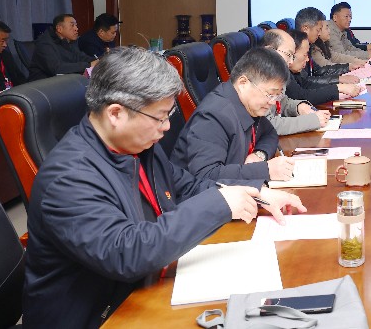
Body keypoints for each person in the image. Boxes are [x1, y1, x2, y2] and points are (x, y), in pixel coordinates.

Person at [22, 47, 306, 328]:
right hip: (102, 315)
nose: (168, 127)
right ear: (116, 113)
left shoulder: (139, 146)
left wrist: (254, 192)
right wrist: (220, 204)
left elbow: (187, 184)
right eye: (160, 117)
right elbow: (126, 252)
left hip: (147, 285)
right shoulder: (68, 177)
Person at [171, 47, 297, 181]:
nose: (272, 102)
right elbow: (207, 176)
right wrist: (265, 170)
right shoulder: (212, 116)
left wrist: (259, 155)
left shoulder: (249, 105)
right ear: (243, 83)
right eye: (270, 94)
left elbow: (269, 133)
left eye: (277, 96)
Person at [258, 28, 331, 135]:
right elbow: (267, 124)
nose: (291, 61)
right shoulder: (256, 77)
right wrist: (311, 121)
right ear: (269, 50)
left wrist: (298, 107)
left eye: (293, 56)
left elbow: (281, 102)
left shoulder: (276, 73)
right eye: (288, 55)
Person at [288, 29, 363, 104]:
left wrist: (338, 87)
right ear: (290, 54)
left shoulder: (294, 71)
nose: (307, 59)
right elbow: (302, 96)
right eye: (305, 55)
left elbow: (306, 84)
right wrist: (337, 87)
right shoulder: (284, 73)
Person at [28, 14, 97, 80]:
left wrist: (99, 61)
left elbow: (79, 57)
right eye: (72, 25)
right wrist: (88, 65)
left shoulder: (70, 41)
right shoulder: (44, 44)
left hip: (62, 80)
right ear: (59, 29)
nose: (76, 28)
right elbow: (56, 68)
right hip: (41, 84)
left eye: (76, 25)